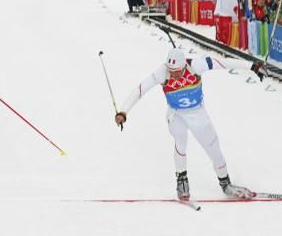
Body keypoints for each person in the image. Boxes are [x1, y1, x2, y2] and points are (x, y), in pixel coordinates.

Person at [114, 49, 268, 201]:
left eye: (176, 71)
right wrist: (123, 112)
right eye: (170, 71)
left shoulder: (196, 65)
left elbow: (223, 63)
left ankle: (226, 184)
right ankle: (182, 182)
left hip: (198, 114)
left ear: (183, 66)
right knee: (180, 141)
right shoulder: (162, 72)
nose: (172, 74)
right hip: (176, 114)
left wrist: (252, 66)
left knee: (214, 149)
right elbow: (141, 89)